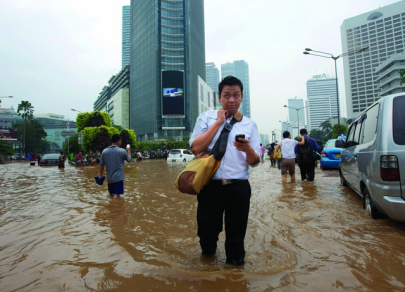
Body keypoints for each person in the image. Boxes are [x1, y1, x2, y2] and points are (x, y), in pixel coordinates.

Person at [189, 76, 261, 266]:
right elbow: (195, 148)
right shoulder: (205, 118)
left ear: (241, 98)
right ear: (219, 98)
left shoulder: (250, 124)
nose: (231, 99)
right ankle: (207, 267)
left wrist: (248, 150)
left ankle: (235, 274)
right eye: (226, 95)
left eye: (236, 95)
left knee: (236, 239)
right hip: (210, 186)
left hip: (238, 187)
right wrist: (218, 123)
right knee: (206, 235)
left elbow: (254, 162)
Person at [99, 134, 131, 198]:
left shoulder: (104, 151)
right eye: (121, 141)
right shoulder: (122, 151)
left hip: (109, 178)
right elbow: (129, 160)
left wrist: (100, 175)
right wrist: (128, 150)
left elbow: (101, 164)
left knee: (111, 195)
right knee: (116, 195)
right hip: (118, 178)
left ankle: (111, 207)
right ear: (118, 141)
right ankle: (115, 207)